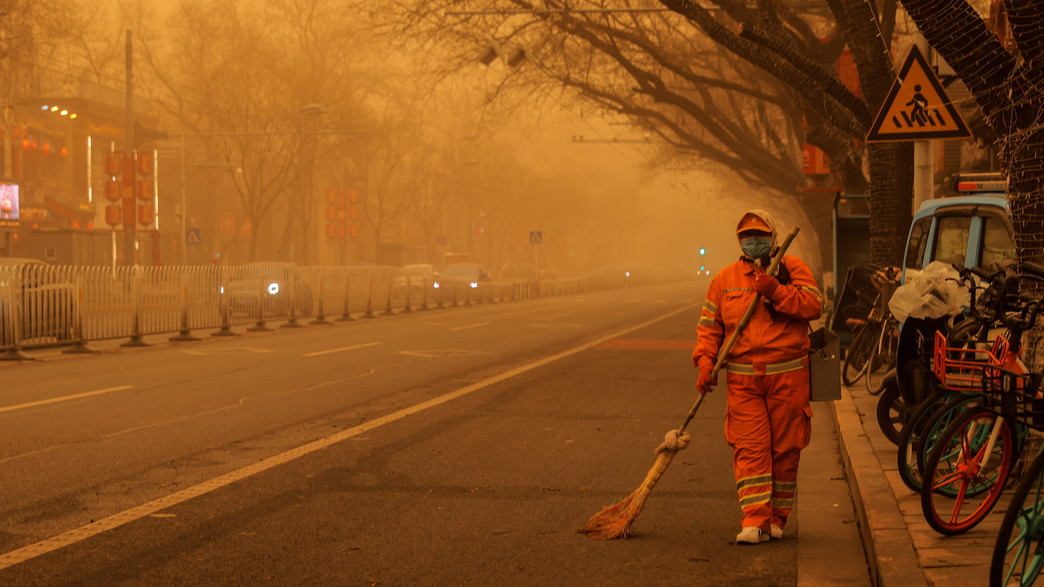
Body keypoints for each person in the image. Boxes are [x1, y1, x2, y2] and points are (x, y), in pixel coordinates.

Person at [692, 209, 823, 545]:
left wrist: (776, 291)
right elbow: (710, 327)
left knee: (784, 450)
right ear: (739, 241)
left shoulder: (791, 269)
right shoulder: (724, 279)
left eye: (760, 235)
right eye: (747, 236)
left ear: (773, 238)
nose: (753, 241)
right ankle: (754, 519)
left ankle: (776, 518)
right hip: (743, 382)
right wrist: (706, 363)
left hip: (788, 378)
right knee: (750, 448)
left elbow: (813, 306)